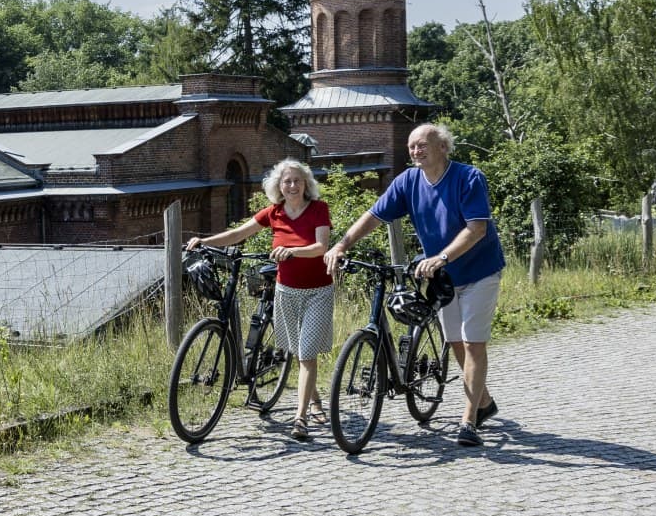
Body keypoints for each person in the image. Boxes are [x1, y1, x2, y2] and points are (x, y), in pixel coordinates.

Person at [324, 122, 504, 448]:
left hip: (479, 271)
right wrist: (341, 245)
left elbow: (477, 228)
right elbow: (374, 215)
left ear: (442, 148)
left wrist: (443, 257)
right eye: (411, 147)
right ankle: (484, 403)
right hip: (444, 278)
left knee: (473, 342)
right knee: (456, 343)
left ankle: (469, 422)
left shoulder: (468, 178)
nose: (416, 151)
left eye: (422, 145)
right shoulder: (407, 181)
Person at [186, 158, 333, 440]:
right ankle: (314, 401)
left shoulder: (318, 209)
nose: (292, 185)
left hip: (317, 291)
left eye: (297, 180)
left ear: (306, 184)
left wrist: (292, 251)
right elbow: (239, 233)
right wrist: (205, 241)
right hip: (286, 290)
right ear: (279, 186)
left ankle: (300, 418)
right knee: (297, 350)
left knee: (307, 354)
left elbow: (320, 247)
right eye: (286, 181)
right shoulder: (273, 213)